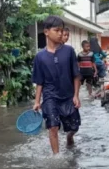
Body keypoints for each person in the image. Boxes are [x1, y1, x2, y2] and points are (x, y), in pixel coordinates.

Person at [32, 15, 81, 154]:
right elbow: (39, 81)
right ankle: (56, 157)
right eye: (57, 30)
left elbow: (76, 75)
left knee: (73, 127)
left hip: (68, 95)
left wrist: (76, 96)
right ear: (46, 32)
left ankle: (70, 137)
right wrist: (37, 101)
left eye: (61, 31)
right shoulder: (40, 57)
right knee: (53, 127)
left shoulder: (69, 51)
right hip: (50, 96)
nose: (60, 33)